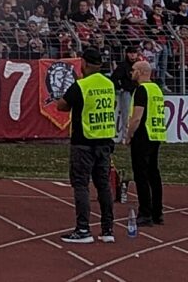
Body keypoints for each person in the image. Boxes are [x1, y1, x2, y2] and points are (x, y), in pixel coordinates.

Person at [57, 47, 117, 244]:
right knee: (104, 186)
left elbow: (62, 105)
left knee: (81, 185)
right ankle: (107, 229)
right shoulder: (109, 84)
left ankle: (83, 229)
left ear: (85, 63)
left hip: (84, 142)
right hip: (105, 142)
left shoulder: (81, 85)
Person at [124, 60, 165, 226]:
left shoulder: (141, 90)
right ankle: (157, 212)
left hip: (143, 135)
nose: (131, 72)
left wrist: (128, 135)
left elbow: (137, 117)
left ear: (140, 72)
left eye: (133, 70)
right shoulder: (156, 89)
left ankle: (145, 212)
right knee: (154, 174)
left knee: (141, 175)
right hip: (155, 134)